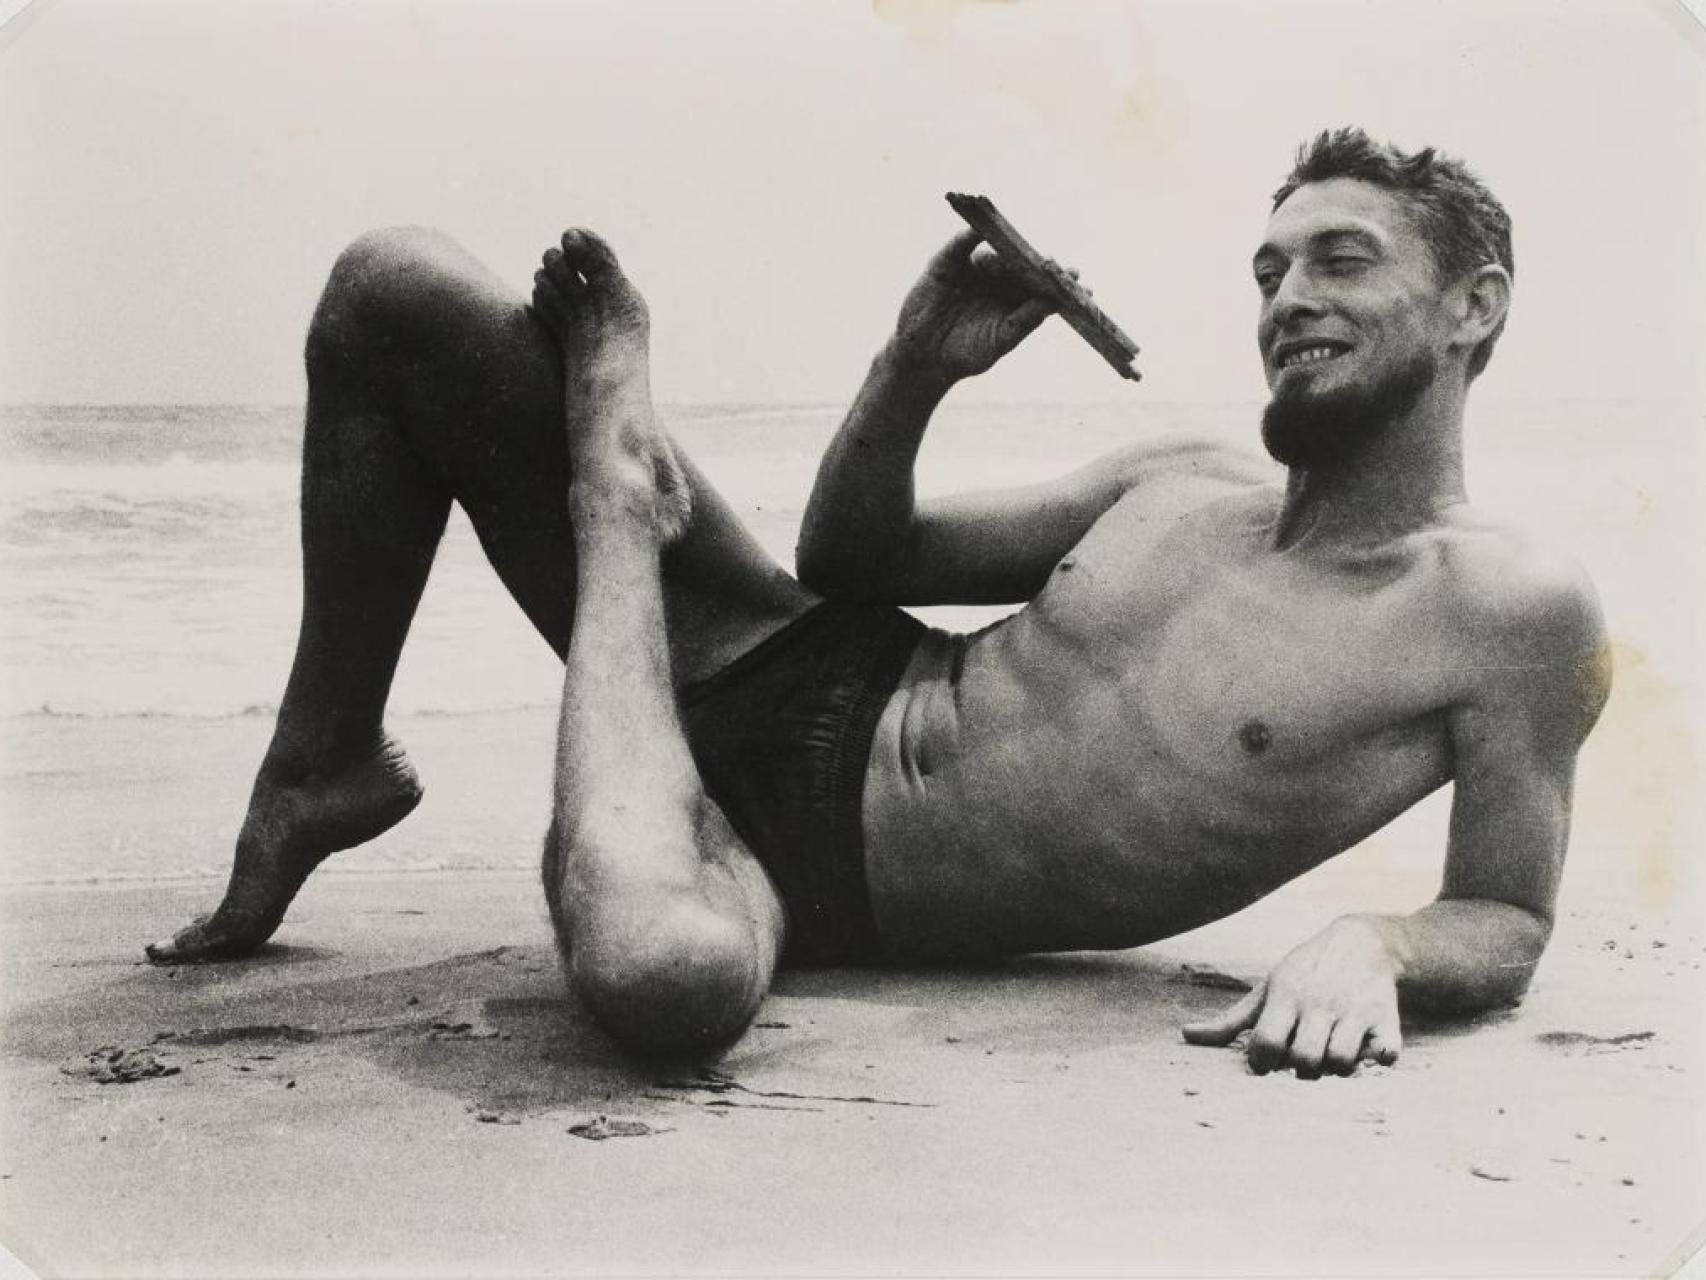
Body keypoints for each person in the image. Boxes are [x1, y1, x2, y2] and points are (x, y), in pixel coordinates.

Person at [146, 128, 1610, 1078]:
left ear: (1471, 305)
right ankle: (323, 758)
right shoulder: (1179, 479)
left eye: (1339, 262)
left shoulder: (1507, 610)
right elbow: (855, 561)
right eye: (1269, 267)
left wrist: (1374, 941)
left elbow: (1499, 911)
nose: (1286, 297)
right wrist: (917, 365)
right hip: (796, 659)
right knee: (390, 287)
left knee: (666, 984)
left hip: (793, 882)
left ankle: (614, 511)